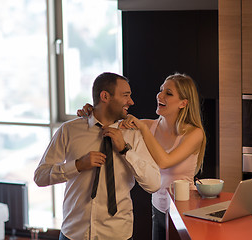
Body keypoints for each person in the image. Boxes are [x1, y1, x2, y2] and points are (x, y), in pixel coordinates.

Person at [78, 73, 206, 240]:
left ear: (183, 103)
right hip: (158, 208)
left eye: (168, 93)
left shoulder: (194, 133)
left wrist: (143, 130)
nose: (160, 95)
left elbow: (164, 162)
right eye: (161, 90)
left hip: (186, 209)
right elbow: (105, 121)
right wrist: (90, 111)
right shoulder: (146, 125)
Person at [34, 72, 161, 240]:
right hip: (74, 233)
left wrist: (125, 150)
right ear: (105, 96)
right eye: (125, 96)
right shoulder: (69, 130)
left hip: (117, 234)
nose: (131, 102)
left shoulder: (133, 135)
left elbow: (154, 184)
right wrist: (77, 165)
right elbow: (40, 176)